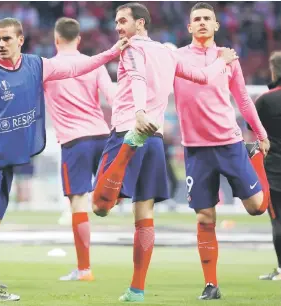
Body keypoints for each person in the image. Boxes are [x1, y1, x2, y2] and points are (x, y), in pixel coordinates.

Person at [0, 18, 129, 301]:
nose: (0, 44)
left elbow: (77, 66)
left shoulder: (37, 65)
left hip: (6, 157)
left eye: (7, 39)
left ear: (21, 40)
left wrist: (112, 52)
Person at [91, 2, 238, 303]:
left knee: (100, 206)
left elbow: (137, 79)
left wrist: (139, 114)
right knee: (144, 216)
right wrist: (222, 60)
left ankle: (127, 150)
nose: (118, 27)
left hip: (127, 131)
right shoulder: (168, 53)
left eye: (123, 21)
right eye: (116, 22)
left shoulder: (131, 48)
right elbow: (203, 76)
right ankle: (136, 290)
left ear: (141, 23)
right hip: (155, 139)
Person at [172, 2, 270, 300]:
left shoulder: (229, 59)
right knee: (204, 217)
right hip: (196, 150)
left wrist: (261, 134)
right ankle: (211, 284)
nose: (201, 22)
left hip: (229, 143)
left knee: (257, 207)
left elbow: (242, 99)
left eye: (207, 19)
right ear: (189, 27)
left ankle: (258, 163)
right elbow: (194, 77)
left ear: (216, 25)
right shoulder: (176, 58)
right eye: (196, 19)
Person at [44, 17, 114, 281]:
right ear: (79, 39)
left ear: (56, 38)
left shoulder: (47, 67)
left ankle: (84, 269)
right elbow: (112, 98)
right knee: (110, 199)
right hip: (102, 136)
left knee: (77, 202)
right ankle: (113, 196)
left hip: (75, 141)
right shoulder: (93, 63)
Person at [250, 51, 281, 282]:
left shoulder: (264, 100)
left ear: (273, 70)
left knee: (278, 219)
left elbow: (254, 130)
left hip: (275, 171)